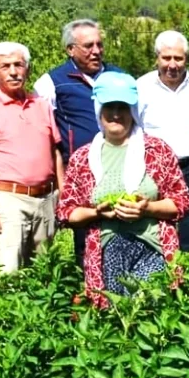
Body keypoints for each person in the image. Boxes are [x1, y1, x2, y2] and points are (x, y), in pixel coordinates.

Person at [56, 72, 189, 307]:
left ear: (133, 110)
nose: (116, 114)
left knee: (147, 306)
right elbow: (67, 212)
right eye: (110, 107)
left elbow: (181, 202)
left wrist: (147, 208)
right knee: (115, 313)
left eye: (123, 107)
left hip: (152, 244)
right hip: (106, 248)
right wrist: (97, 213)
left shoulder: (156, 151)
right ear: (99, 109)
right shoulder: (83, 158)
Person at [0, 42, 64, 272]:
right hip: (7, 199)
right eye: (5, 66)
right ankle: (2, 309)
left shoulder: (41, 105)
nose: (13, 71)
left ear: (27, 69)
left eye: (18, 65)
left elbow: (55, 152)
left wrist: (63, 194)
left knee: (44, 270)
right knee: (6, 270)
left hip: (46, 198)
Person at [33, 19, 124, 266]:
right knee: (86, 233)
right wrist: (59, 180)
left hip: (120, 166)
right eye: (88, 46)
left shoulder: (119, 76)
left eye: (99, 44)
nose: (96, 51)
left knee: (121, 225)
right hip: (80, 171)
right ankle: (88, 287)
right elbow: (43, 133)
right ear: (70, 49)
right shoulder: (51, 82)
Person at [137, 30, 189, 252]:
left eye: (178, 58)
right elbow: (134, 128)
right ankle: (157, 274)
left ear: (186, 59)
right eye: (167, 58)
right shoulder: (141, 87)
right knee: (155, 224)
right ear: (157, 57)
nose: (172, 64)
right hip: (154, 169)